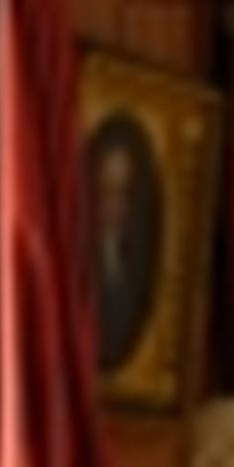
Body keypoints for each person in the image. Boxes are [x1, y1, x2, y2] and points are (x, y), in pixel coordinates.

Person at [85, 110, 165, 383]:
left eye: (120, 192)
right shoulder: (74, 261)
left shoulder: (135, 263)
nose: (111, 206)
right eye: (104, 190)